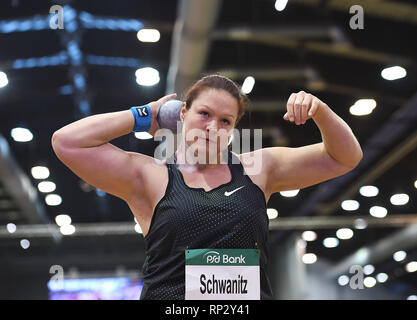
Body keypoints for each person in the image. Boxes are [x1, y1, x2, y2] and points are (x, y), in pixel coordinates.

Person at [51, 75, 363, 300]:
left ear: (233, 129)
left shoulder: (258, 170)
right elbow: (67, 141)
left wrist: (320, 111)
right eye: (204, 114)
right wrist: (145, 115)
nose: (213, 127)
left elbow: (345, 158)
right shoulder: (151, 176)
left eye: (226, 121)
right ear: (182, 113)